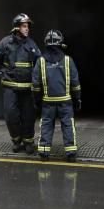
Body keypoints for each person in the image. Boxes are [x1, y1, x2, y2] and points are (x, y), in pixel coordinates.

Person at [0, 13, 42, 153]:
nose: (27, 28)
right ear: (17, 28)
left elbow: (40, 63)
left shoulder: (31, 44)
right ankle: (16, 140)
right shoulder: (6, 42)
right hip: (10, 87)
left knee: (29, 116)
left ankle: (28, 142)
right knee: (11, 116)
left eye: (28, 26)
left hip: (27, 88)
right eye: (24, 26)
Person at [32, 29, 81, 161]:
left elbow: (35, 85)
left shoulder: (40, 61)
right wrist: (77, 99)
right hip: (65, 101)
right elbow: (75, 83)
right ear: (60, 43)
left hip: (48, 102)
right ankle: (71, 153)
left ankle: (43, 152)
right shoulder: (68, 60)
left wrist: (36, 100)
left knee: (46, 125)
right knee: (68, 125)